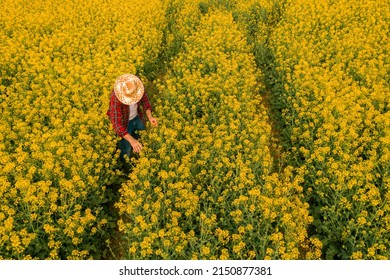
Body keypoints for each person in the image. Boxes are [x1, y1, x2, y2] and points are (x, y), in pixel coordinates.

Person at [107, 74, 158, 167]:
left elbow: (145, 101)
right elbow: (117, 124)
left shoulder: (136, 85)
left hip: (137, 117)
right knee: (126, 148)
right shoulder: (115, 97)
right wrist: (132, 140)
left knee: (142, 137)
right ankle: (125, 165)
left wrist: (150, 117)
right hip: (124, 123)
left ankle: (141, 156)